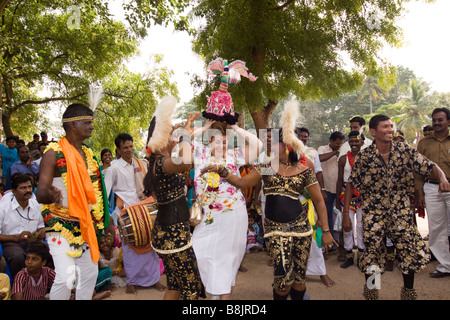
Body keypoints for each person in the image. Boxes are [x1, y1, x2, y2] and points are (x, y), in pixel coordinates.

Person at [201, 101, 335, 300]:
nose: (270, 145)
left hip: (301, 230)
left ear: (288, 145)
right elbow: (241, 181)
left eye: (275, 142)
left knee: (299, 278)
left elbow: (319, 202)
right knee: (282, 278)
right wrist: (222, 171)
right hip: (274, 229)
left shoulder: (304, 170)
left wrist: (325, 231)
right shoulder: (266, 166)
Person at [342, 114, 450, 300]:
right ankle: (372, 292)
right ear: (373, 132)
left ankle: (408, 293)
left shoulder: (405, 150)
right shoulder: (365, 157)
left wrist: (441, 177)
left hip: (401, 212)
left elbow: (429, 165)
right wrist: (345, 214)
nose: (390, 129)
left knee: (408, 250)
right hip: (373, 213)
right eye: (385, 126)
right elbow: (351, 183)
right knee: (372, 255)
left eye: (391, 126)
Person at [36, 103, 112, 300]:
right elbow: (40, 193)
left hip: (86, 224)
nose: (92, 126)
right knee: (65, 277)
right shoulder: (53, 153)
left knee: (89, 273)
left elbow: (98, 194)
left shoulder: (89, 155)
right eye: (87, 122)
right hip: (60, 225)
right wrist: (50, 195)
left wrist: (106, 221)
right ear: (72, 125)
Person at [192, 120, 263, 300]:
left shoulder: (233, 155)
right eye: (217, 141)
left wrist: (236, 128)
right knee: (199, 251)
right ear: (209, 141)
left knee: (226, 257)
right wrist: (205, 127)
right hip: (207, 216)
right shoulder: (199, 154)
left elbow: (258, 145)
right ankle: (216, 290)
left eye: (225, 142)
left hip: (233, 214)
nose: (222, 145)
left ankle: (222, 296)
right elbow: (183, 140)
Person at [144, 96, 202, 300]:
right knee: (191, 287)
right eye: (171, 134)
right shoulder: (162, 164)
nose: (174, 137)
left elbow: (182, 154)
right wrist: (185, 134)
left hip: (168, 232)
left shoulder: (159, 162)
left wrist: (187, 127)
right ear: (162, 139)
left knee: (175, 285)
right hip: (174, 235)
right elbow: (186, 162)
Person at [104, 133, 165, 294]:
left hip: (146, 208)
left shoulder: (141, 163)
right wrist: (108, 217)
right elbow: (106, 191)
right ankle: (132, 282)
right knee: (129, 249)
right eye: (125, 147)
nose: (129, 150)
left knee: (151, 246)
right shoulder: (113, 168)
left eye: (131, 146)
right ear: (118, 150)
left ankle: (154, 279)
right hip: (127, 213)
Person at [296, 127, 335, 288]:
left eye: (305, 137)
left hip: (306, 204)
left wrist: (322, 190)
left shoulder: (310, 156)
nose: (302, 139)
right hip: (286, 209)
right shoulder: (279, 157)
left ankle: (322, 273)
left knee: (313, 240)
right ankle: (297, 276)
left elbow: (317, 174)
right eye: (300, 136)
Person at [415, 107, 450, 278]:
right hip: (431, 187)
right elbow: (417, 170)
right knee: (436, 228)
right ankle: (445, 266)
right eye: (434, 120)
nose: (436, 123)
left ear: (448, 121)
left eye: (440, 120)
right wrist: (419, 192)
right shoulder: (423, 143)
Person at [0, 173, 46, 281]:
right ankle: (19, 286)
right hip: (10, 242)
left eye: (29, 187)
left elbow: (40, 226)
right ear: (14, 192)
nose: (28, 190)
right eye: (23, 188)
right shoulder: (3, 207)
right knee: (18, 256)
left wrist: (41, 232)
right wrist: (16, 238)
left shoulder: (36, 204)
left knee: (48, 250)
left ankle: (44, 287)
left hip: (32, 242)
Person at [335, 131, 365, 269]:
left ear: (362, 143)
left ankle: (362, 254)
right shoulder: (343, 159)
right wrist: (337, 199)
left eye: (356, 141)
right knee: (347, 225)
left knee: (361, 225)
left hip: (362, 194)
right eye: (351, 141)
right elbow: (340, 179)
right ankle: (349, 255)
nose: (354, 144)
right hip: (346, 194)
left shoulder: (367, 158)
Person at [318, 131, 345, 246]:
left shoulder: (343, 150)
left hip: (339, 189)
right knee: (327, 215)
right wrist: (334, 153)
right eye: (337, 143)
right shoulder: (322, 148)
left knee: (340, 216)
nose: (339, 146)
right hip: (327, 189)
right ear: (331, 141)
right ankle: (330, 243)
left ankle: (340, 242)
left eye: (340, 144)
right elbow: (319, 158)